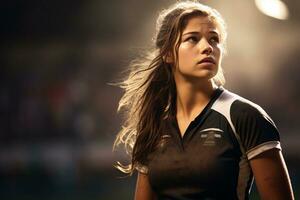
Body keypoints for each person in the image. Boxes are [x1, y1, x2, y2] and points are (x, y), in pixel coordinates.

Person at [113, 1, 295, 199]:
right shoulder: (153, 124)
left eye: (214, 39)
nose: (208, 47)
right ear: (167, 53)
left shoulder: (245, 116)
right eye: (192, 38)